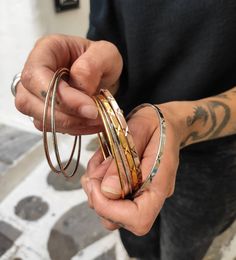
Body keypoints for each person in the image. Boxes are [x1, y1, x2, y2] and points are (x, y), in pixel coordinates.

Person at [13, 1, 236, 259]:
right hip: (128, 140)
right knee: (135, 243)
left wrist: (180, 121)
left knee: (184, 250)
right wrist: (93, 68)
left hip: (215, 156)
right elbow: (107, 35)